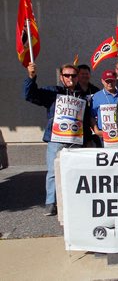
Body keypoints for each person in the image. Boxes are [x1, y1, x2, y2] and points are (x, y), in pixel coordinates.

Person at [24, 62, 91, 216]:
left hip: (76, 141)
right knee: (53, 172)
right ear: (61, 77)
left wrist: (86, 139)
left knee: (75, 172)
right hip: (56, 139)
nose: (70, 78)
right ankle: (50, 202)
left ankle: (73, 201)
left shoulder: (82, 95)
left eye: (73, 75)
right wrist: (31, 77)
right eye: (67, 75)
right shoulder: (53, 92)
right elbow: (30, 95)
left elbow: (86, 119)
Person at [90, 70, 118, 145]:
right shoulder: (96, 97)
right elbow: (91, 115)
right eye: (107, 81)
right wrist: (96, 130)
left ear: (116, 80)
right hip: (103, 136)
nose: (110, 83)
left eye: (112, 81)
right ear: (102, 81)